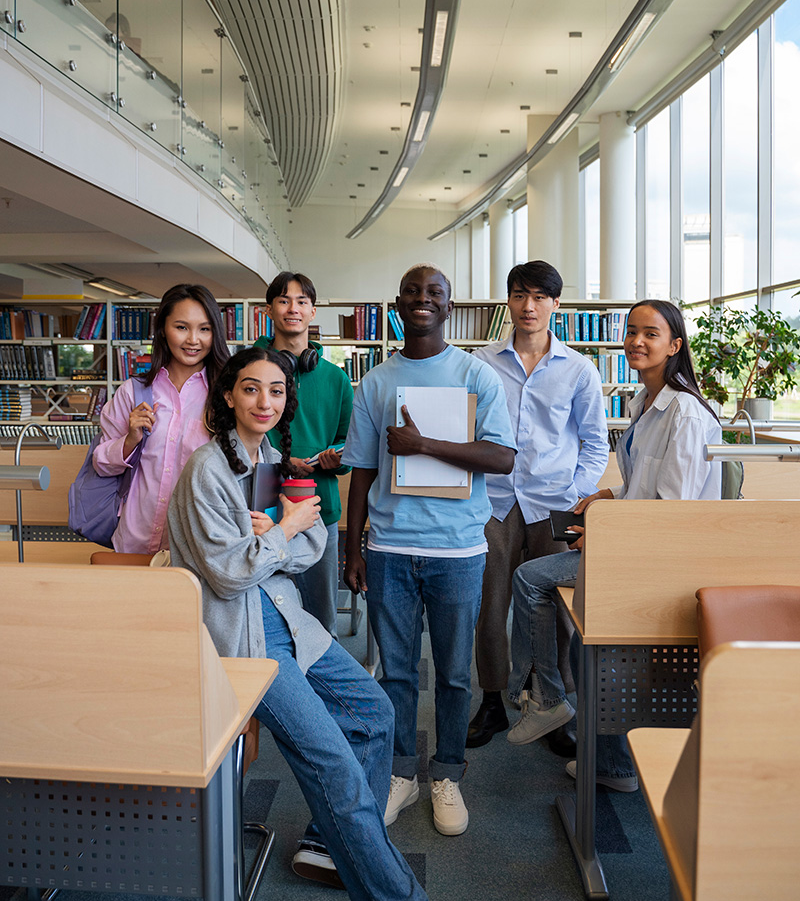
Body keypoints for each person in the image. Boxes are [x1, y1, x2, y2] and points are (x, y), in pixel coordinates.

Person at [167, 346, 485, 901]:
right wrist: (278, 534)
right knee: (332, 759)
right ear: (229, 395)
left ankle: (340, 847)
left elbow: (311, 545)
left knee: (373, 712)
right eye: (252, 389)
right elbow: (231, 577)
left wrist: (275, 536)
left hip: (288, 622)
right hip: (242, 641)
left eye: (277, 392)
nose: (265, 401)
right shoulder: (208, 469)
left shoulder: (274, 462)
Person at [508, 299, 722, 790]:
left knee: (532, 580)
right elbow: (645, 486)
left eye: (650, 334)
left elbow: (672, 508)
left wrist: (604, 532)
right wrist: (609, 494)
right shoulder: (642, 402)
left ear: (675, 344)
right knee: (591, 638)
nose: (637, 342)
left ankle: (546, 699)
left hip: (658, 559)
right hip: (635, 543)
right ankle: (612, 762)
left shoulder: (684, 412)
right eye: (631, 332)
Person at [343, 264, 516, 836]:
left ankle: (447, 774)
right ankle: (400, 774)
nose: (423, 299)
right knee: (394, 672)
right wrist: (354, 548)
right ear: (398, 303)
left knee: (453, 674)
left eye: (434, 293)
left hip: (458, 550)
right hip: (390, 546)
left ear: (449, 306)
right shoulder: (374, 382)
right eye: (413, 292)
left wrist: (423, 445)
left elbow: (501, 458)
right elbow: (363, 472)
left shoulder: (477, 376)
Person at [468, 260, 608, 750]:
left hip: (555, 504)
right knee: (490, 606)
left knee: (557, 609)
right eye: (519, 295)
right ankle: (491, 700)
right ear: (507, 300)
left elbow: (595, 443)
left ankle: (551, 703)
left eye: (539, 297)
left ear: (555, 304)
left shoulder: (579, 369)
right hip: (495, 501)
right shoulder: (481, 364)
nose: (529, 306)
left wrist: (576, 496)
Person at [92, 283, 230, 554]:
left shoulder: (228, 396)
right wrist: (130, 440)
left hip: (198, 546)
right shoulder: (133, 392)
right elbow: (101, 465)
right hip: (133, 540)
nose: (193, 340)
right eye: (181, 327)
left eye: (204, 329)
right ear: (162, 330)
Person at [253, 271, 353, 638]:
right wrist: (279, 459)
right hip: (260, 510)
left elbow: (349, 442)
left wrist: (337, 457)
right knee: (262, 619)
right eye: (283, 300)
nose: (292, 309)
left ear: (312, 312)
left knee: (322, 621)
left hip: (317, 510)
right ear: (268, 310)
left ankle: (323, 695)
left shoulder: (335, 379)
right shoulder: (251, 369)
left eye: (301, 302)